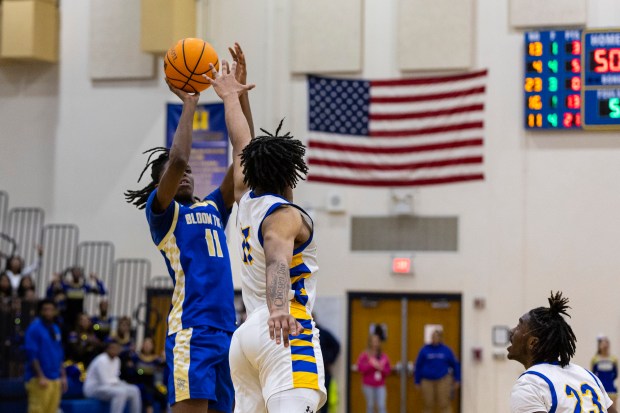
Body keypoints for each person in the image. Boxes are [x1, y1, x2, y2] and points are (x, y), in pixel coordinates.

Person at [124, 43, 254, 413]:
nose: (184, 175)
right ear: (160, 184)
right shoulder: (162, 213)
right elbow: (180, 157)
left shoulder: (213, 206)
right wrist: (190, 103)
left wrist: (237, 97)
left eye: (190, 174)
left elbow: (246, 156)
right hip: (192, 332)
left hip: (227, 333)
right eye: (174, 174)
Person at [204, 59, 327, 412]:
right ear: (290, 176)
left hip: (246, 338)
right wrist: (278, 310)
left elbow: (241, 141)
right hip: (283, 328)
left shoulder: (246, 198)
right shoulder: (284, 216)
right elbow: (277, 260)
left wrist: (232, 97)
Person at [508, 291, 618, 413]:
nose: (511, 331)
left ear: (532, 343)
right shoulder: (588, 376)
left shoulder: (529, 385)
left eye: (518, 326)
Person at [23, 299, 67, 413]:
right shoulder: (34, 328)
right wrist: (40, 376)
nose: (48, 313)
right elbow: (31, 354)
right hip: (39, 379)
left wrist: (63, 376)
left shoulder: (55, 328)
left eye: (51, 310)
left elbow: (59, 353)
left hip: (55, 378)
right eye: (45, 310)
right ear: (40, 311)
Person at [83, 339, 142, 413]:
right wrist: (119, 383)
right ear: (107, 349)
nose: (115, 350)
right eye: (112, 348)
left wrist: (120, 383)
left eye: (117, 348)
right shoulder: (101, 360)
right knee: (121, 392)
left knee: (135, 390)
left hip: (109, 387)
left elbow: (114, 378)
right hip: (94, 388)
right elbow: (105, 381)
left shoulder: (117, 360)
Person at [414, 328, 461, 413]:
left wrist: (457, 379)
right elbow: (418, 366)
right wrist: (417, 381)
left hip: (443, 380)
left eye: (436, 336)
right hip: (427, 381)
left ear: (440, 338)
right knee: (427, 404)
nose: (434, 338)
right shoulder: (424, 350)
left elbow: (455, 364)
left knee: (444, 404)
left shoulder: (446, 350)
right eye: (433, 336)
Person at [357, 332, 391, 413]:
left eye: (377, 341)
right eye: (373, 341)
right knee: (370, 405)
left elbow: (388, 371)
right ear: (370, 342)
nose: (375, 344)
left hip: (380, 385)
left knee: (382, 406)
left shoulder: (383, 356)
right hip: (368, 385)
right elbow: (360, 368)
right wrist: (371, 365)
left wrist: (381, 368)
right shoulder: (365, 355)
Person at [315, 318, 341, 413]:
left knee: (325, 399)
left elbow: (336, 345)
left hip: (324, 372)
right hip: (310, 371)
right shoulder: (302, 334)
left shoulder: (323, 333)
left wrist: (330, 360)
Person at [593, 335, 618, 405]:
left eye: (606, 343)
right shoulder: (595, 359)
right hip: (600, 390)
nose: (605, 346)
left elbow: (615, 374)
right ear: (599, 346)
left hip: (611, 389)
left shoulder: (613, 359)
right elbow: (593, 375)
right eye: (602, 344)